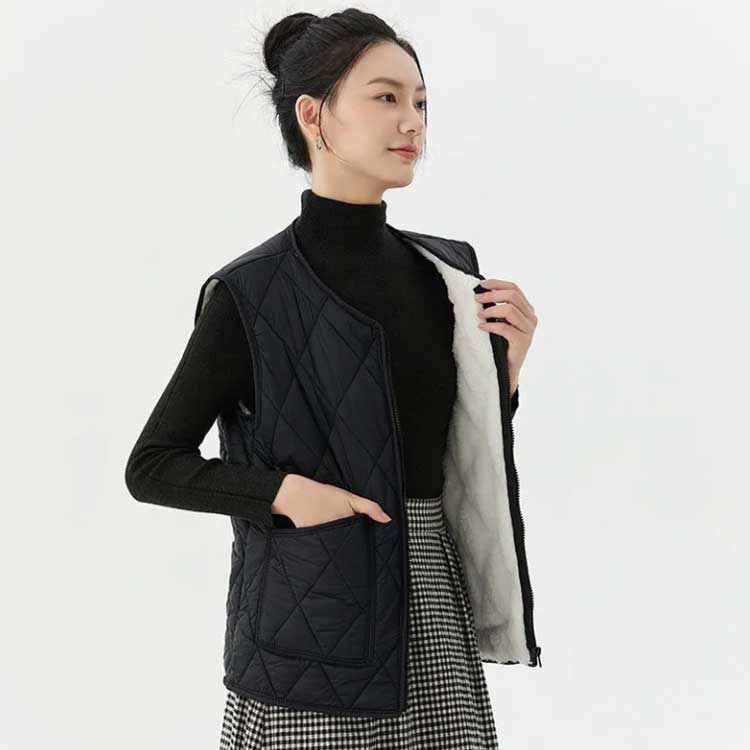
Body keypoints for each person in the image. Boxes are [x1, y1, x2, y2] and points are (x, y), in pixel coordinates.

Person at [125, 7, 538, 749]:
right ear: (313, 116)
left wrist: (501, 375)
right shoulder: (251, 292)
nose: (412, 122)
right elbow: (153, 465)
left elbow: (433, 443)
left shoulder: (445, 273)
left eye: (420, 102)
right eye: (386, 97)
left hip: (430, 593)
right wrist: (286, 496)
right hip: (311, 627)